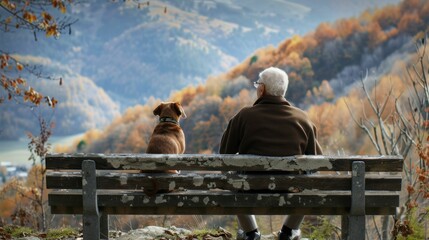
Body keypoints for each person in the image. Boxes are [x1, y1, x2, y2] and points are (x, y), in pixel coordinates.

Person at [219, 67, 323, 240]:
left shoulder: (244, 116)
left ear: (262, 89)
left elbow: (224, 155)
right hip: (289, 188)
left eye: (257, 85)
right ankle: (288, 232)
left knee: (232, 180)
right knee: (309, 183)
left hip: (250, 188)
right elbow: (317, 163)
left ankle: (251, 233)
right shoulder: (303, 119)